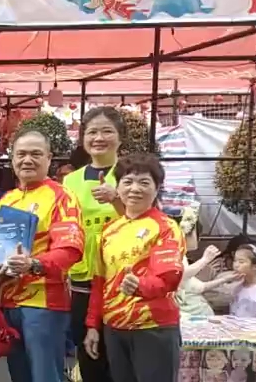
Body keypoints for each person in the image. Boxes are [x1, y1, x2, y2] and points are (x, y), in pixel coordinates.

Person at [0, 130, 84, 382]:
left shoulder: (61, 196)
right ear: (12, 159)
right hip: (9, 303)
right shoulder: (7, 199)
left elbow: (70, 250)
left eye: (35, 154)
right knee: (18, 375)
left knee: (45, 376)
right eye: (21, 154)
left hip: (44, 304)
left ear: (49, 158)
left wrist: (33, 264)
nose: (27, 160)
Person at [84, 153, 185, 382]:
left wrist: (140, 285)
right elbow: (99, 282)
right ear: (117, 188)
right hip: (114, 328)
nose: (135, 189)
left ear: (157, 188)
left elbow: (169, 278)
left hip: (153, 327)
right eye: (128, 182)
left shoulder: (166, 227)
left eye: (144, 182)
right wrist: (92, 325)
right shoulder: (108, 231)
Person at [62, 107, 125, 382]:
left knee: (119, 352)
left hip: (120, 277)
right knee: (88, 351)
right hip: (82, 277)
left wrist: (116, 198)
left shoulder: (131, 175)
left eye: (107, 131)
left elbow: (149, 221)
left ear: (120, 137)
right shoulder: (71, 180)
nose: (99, 138)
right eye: (92, 132)